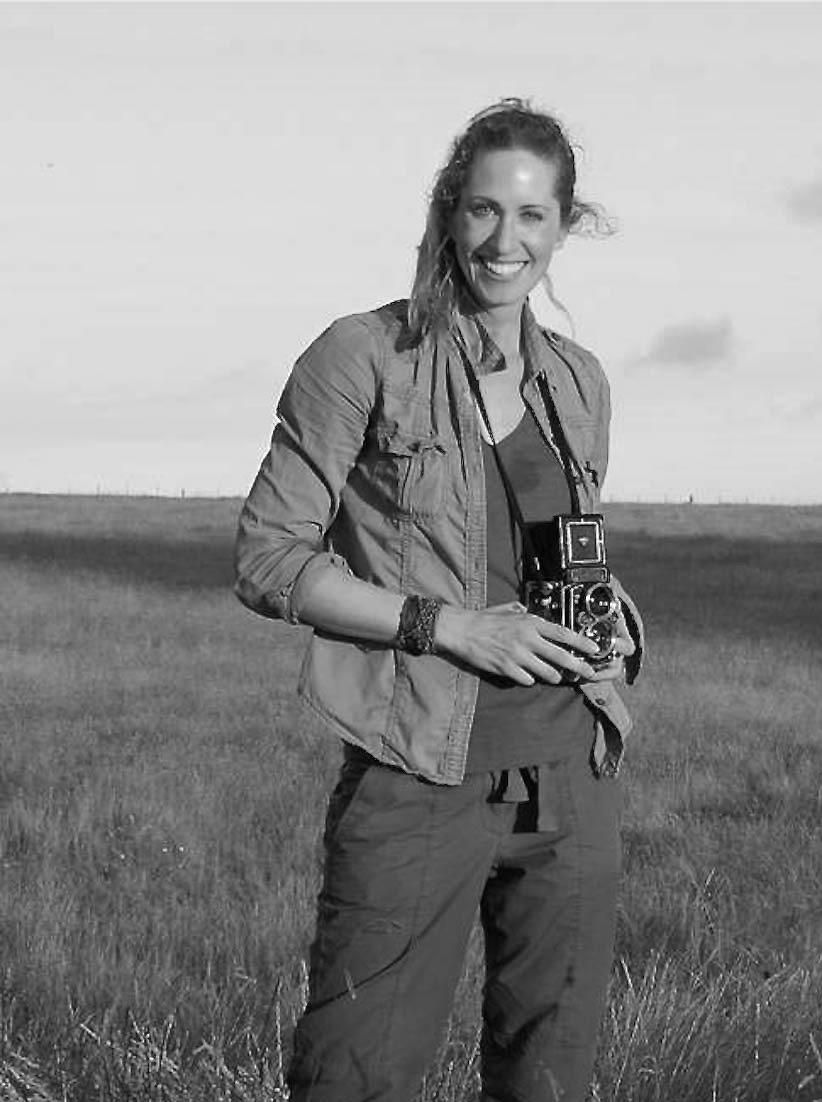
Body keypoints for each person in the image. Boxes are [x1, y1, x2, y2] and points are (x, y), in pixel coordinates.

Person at [234, 98, 644, 1102]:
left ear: (564, 226)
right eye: (483, 211)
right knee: (354, 1076)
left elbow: (564, 551)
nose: (506, 241)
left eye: (533, 216)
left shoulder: (578, 381)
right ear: (447, 212)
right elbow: (267, 556)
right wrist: (450, 625)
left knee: (549, 1081)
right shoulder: (364, 356)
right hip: (419, 770)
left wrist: (619, 631)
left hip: (570, 777)